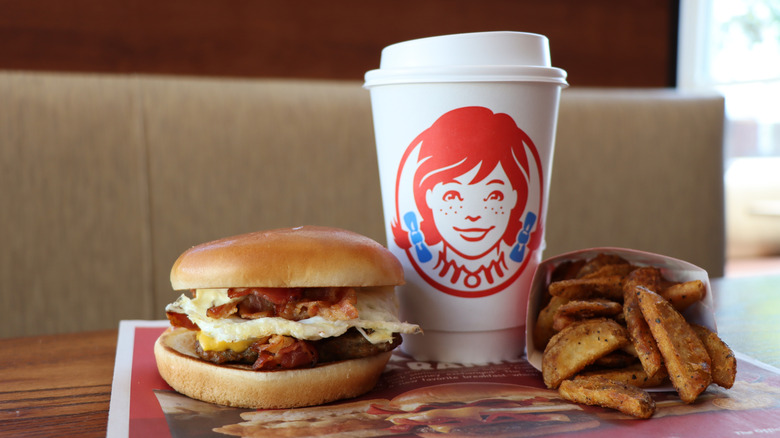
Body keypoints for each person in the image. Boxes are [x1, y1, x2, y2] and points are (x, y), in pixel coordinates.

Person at [392, 106, 543, 297]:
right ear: (428, 197)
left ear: (515, 197)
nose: (473, 215)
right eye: (452, 196)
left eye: (493, 195)